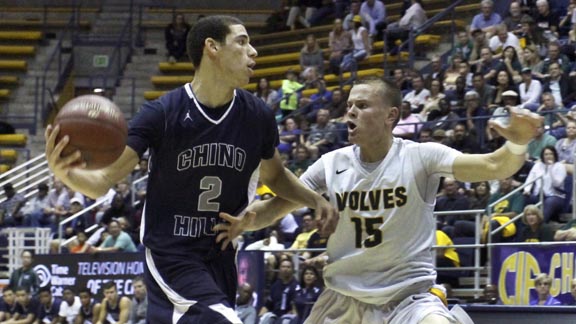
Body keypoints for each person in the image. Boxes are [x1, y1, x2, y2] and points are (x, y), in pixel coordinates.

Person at [45, 15, 335, 324]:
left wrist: (314, 200)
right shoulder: (162, 113)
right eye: (242, 41)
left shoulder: (257, 115)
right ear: (212, 47)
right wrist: (65, 172)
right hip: (172, 255)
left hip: (221, 258)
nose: (253, 52)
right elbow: (103, 181)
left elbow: (275, 177)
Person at [215, 76, 542, 323]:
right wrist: (248, 220)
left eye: (362, 105)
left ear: (391, 115)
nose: (351, 112)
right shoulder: (332, 163)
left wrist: (516, 144)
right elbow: (278, 204)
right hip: (343, 300)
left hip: (408, 299)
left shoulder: (421, 157)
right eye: (349, 106)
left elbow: (493, 165)